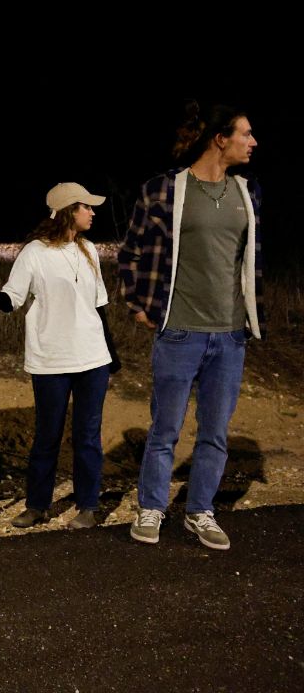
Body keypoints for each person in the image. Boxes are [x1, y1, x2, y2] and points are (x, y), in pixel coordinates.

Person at [121, 102, 262, 551]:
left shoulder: (248, 193)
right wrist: (140, 306)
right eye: (245, 133)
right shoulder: (164, 190)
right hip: (178, 330)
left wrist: (248, 317)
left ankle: (200, 510)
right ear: (220, 138)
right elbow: (132, 253)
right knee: (165, 429)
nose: (253, 142)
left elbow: (249, 263)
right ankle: (153, 506)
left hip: (230, 334)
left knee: (215, 431)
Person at [0, 183, 120, 529]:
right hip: (51, 360)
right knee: (47, 437)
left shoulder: (89, 250)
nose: (93, 212)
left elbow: (98, 307)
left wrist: (111, 354)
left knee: (88, 436)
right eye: (87, 206)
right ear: (70, 210)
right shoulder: (34, 253)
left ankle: (87, 507)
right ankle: (37, 506)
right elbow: (12, 301)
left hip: (92, 359)